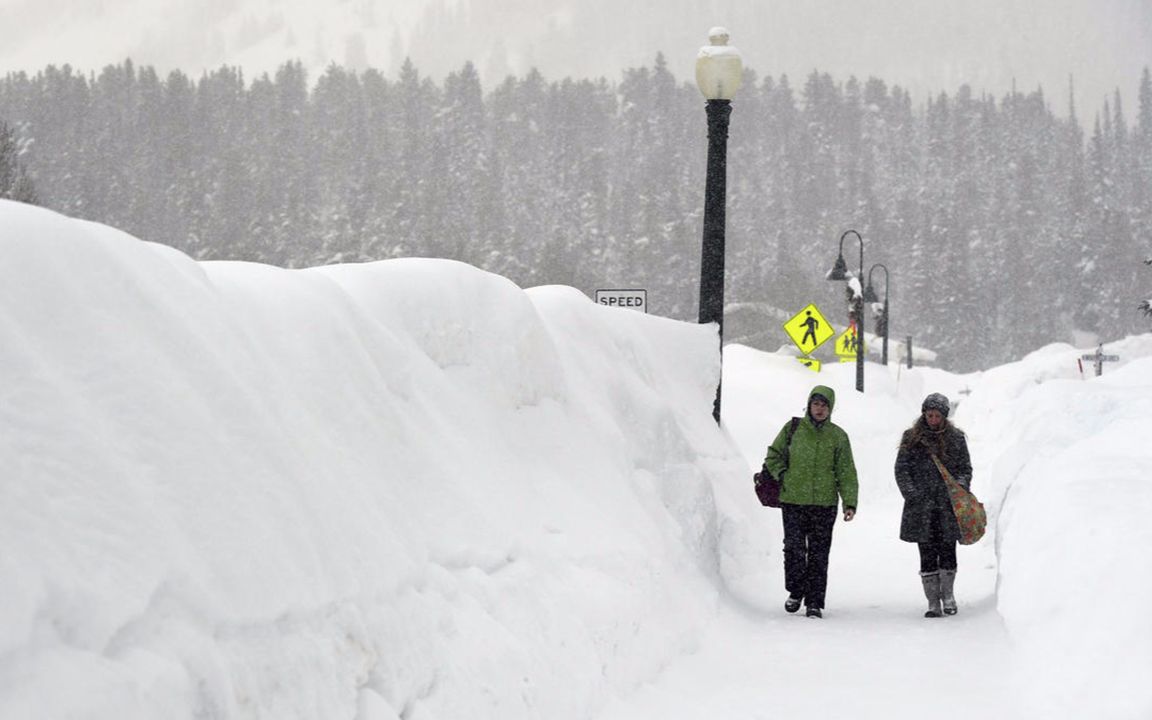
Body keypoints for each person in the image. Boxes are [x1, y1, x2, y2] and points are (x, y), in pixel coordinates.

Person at [762, 385, 858, 619]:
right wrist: (784, 475)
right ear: (809, 405)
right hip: (793, 500)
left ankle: (814, 601)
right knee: (793, 549)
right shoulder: (793, 429)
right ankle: (796, 591)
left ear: (830, 408)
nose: (820, 409)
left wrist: (850, 502)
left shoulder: (838, 436)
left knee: (819, 553)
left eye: (824, 405)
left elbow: (846, 471)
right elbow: (773, 455)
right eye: (816, 404)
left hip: (824, 504)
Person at [894, 393, 973, 618]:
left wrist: (959, 487)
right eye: (929, 415)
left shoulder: (956, 438)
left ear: (945, 416)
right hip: (921, 506)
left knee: (948, 548)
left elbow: (965, 468)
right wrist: (911, 494)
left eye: (937, 415)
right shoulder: (912, 438)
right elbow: (902, 469)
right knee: (926, 551)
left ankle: (948, 596)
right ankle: (932, 601)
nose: (933, 419)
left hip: (948, 505)